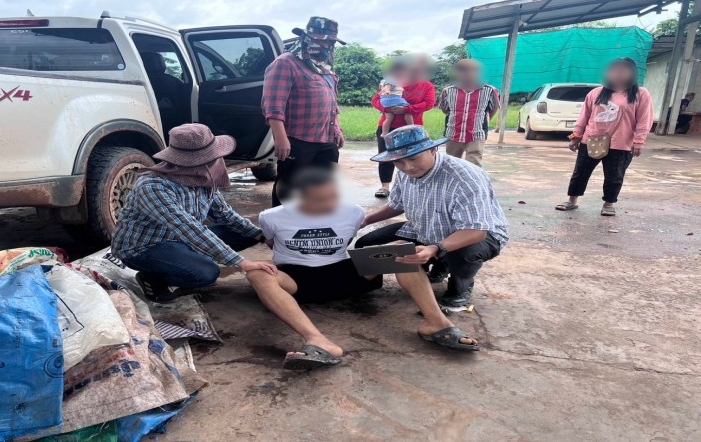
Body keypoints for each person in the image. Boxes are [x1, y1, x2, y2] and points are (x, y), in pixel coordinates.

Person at [247, 166, 479, 370]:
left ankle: (436, 323)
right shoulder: (271, 217)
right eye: (320, 200)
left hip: (345, 275)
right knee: (257, 272)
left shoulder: (353, 212)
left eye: (333, 197)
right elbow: (271, 243)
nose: (330, 205)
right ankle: (317, 341)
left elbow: (348, 241)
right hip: (297, 281)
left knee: (401, 249)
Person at [111, 123, 277, 302]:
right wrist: (242, 263)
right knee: (206, 274)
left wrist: (262, 236)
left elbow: (225, 214)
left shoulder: (204, 179)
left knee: (246, 233)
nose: (218, 161)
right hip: (146, 247)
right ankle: (152, 277)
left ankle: (187, 259)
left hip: (180, 240)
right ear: (195, 163)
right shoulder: (153, 187)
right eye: (213, 158)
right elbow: (188, 228)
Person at [357, 125, 508, 310]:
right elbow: (397, 204)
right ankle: (436, 264)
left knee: (464, 254)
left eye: (414, 158)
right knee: (366, 245)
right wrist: (365, 220)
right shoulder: (405, 173)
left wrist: (435, 248)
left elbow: (477, 231)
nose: (408, 167)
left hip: (475, 234)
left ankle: (460, 285)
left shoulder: (465, 177)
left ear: (433, 149)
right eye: (399, 162)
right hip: (425, 226)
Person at [262, 16, 347, 207]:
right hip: (298, 140)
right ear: (307, 38)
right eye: (322, 40)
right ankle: (282, 232)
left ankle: (311, 228)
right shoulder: (286, 63)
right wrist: (281, 139)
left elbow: (332, 102)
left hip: (326, 140)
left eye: (330, 41)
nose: (326, 45)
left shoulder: (324, 66)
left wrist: (337, 130)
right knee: (288, 189)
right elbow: (274, 105)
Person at [555, 58, 654, 217]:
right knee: (580, 172)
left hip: (621, 143)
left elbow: (644, 119)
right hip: (592, 140)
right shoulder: (596, 93)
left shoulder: (641, 94)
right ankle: (572, 201)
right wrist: (576, 136)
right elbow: (584, 117)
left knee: (614, 176)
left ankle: (609, 203)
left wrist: (639, 141)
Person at [371, 54, 436, 198]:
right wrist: (387, 109)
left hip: (412, 129)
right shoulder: (392, 82)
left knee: (414, 158)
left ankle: (413, 188)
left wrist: (407, 109)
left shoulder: (427, 86)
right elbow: (376, 100)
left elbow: (429, 104)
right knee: (387, 157)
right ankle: (385, 187)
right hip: (388, 127)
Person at [438, 59, 500, 167]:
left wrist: (484, 121)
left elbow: (493, 108)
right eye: (462, 71)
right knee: (452, 163)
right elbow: (445, 109)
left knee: (474, 164)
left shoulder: (490, 91)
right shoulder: (448, 91)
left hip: (477, 133)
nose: (467, 74)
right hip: (453, 133)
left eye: (472, 71)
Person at [378, 60, 414, 137]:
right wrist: (387, 91)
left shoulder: (385, 79)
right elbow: (387, 86)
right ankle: (412, 127)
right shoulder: (392, 79)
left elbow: (382, 88)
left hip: (384, 100)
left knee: (389, 117)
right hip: (393, 98)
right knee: (408, 110)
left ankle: (384, 133)